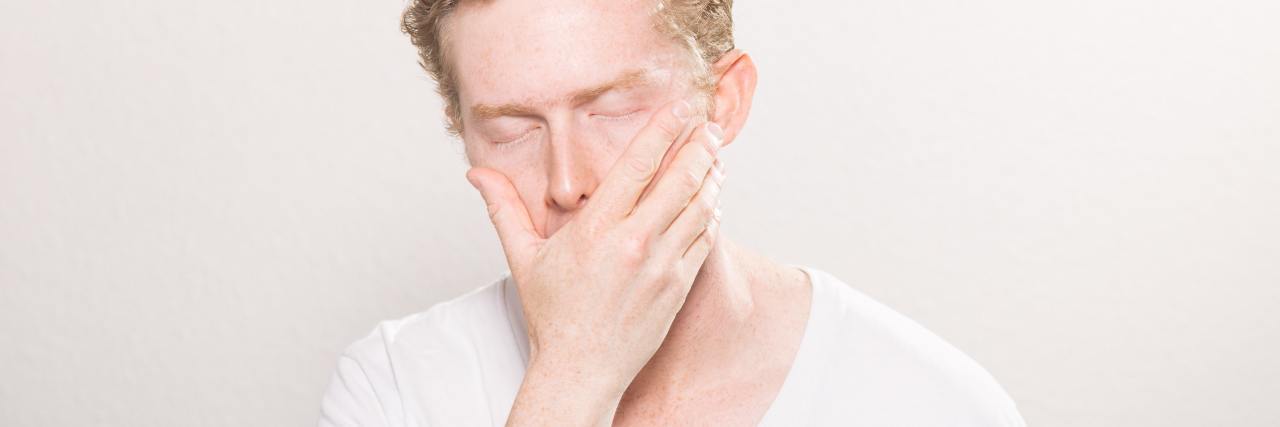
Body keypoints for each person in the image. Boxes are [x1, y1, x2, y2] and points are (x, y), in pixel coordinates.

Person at [320, 0, 1026, 425]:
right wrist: (571, 378)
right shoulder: (394, 387)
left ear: (724, 102)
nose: (567, 183)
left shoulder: (933, 402)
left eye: (613, 108)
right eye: (512, 129)